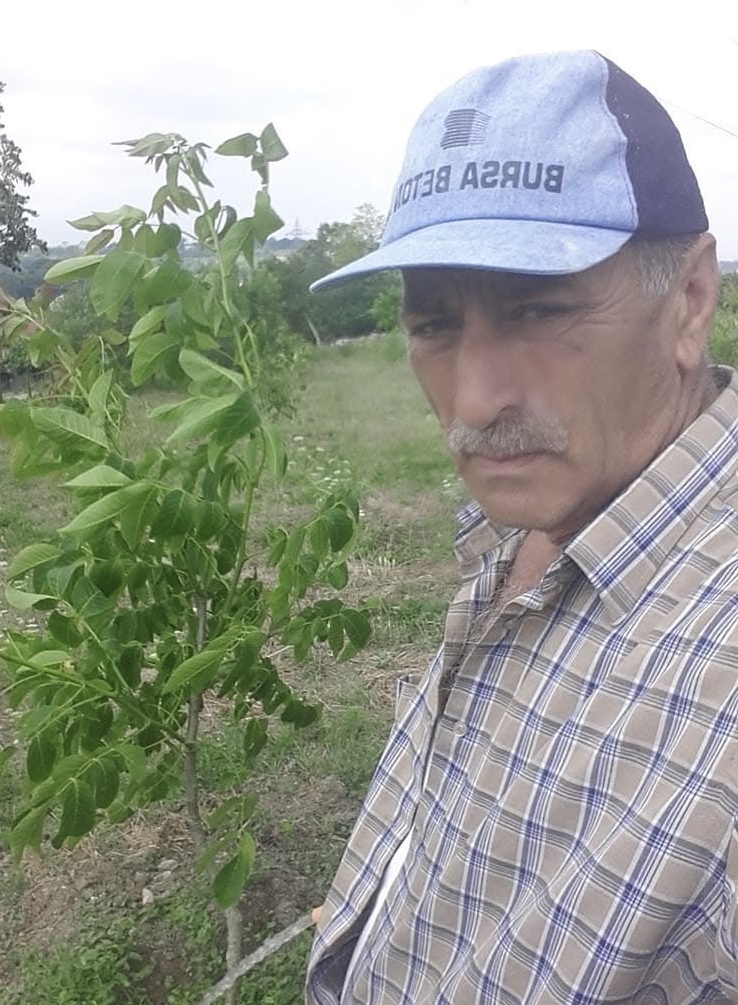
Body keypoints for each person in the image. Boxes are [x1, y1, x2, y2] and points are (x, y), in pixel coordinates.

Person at [304, 50, 738, 1004]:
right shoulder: (551, 518)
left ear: (689, 300)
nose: (473, 400)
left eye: (538, 309)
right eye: (433, 326)